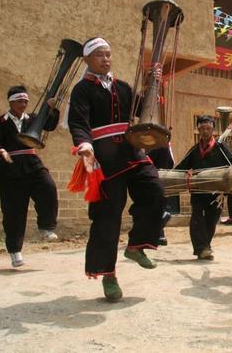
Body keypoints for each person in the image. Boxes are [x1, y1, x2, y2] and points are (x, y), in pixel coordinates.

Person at [68, 37, 165, 302]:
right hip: (105, 158)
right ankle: (108, 275)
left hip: (132, 151)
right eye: (100, 55)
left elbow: (141, 107)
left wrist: (151, 83)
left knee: (155, 190)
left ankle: (136, 245)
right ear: (88, 59)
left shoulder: (122, 87)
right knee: (108, 217)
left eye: (108, 54)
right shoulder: (81, 90)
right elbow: (78, 122)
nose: (106, 59)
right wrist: (85, 146)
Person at [0, 85, 60, 268]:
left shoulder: (33, 119)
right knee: (13, 212)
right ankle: (15, 251)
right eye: (20, 101)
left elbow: (49, 125)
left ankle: (46, 226)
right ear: (11, 102)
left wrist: (52, 109)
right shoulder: (1, 122)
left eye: (26, 101)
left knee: (48, 188)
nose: (23, 104)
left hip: (32, 163)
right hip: (10, 169)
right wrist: (0, 150)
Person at [176, 115, 232, 260]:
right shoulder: (194, 150)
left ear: (212, 130)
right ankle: (202, 248)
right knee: (197, 218)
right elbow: (181, 168)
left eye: (208, 128)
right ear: (198, 129)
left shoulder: (221, 148)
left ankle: (204, 248)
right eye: (202, 128)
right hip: (198, 191)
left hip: (216, 194)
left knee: (211, 220)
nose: (205, 131)